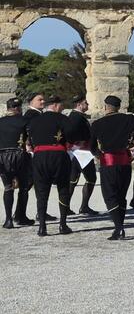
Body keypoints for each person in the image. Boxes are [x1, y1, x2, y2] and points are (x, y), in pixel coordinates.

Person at [88, 96, 134, 240]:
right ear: (119, 106)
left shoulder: (97, 124)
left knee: (110, 195)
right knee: (121, 195)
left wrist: (98, 154)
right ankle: (120, 225)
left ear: (106, 107)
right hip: (125, 160)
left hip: (108, 161)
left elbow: (91, 146)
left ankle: (119, 228)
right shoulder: (129, 119)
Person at [27, 95, 74, 236]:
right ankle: (63, 224)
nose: (62, 107)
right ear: (55, 105)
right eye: (61, 105)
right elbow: (71, 135)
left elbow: (30, 139)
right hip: (58, 155)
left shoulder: (34, 120)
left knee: (41, 192)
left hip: (40, 156)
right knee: (63, 189)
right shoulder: (62, 119)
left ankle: (42, 227)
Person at [13, 93, 45, 223]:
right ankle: (21, 215)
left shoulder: (35, 114)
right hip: (32, 154)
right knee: (28, 185)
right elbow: (30, 133)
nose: (43, 101)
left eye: (43, 99)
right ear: (31, 102)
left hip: (32, 153)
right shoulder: (32, 115)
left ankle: (25, 213)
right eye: (40, 99)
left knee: (35, 184)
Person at [64, 95, 98, 216]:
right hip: (80, 152)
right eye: (85, 103)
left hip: (81, 152)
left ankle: (69, 207)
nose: (87, 105)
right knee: (88, 179)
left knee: (74, 180)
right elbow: (69, 133)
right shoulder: (76, 118)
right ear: (79, 104)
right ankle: (81, 207)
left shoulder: (78, 117)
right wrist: (78, 141)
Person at [0, 98, 29, 228]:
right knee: (23, 188)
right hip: (19, 155)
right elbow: (29, 139)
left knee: (8, 188)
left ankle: (8, 220)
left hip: (2, 156)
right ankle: (20, 216)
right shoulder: (24, 120)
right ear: (18, 108)